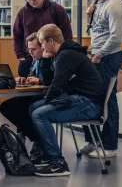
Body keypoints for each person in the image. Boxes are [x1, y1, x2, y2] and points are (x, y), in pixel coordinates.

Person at [29, 24, 104, 177]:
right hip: (80, 99)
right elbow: (50, 82)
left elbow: (57, 85)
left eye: (42, 43)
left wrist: (47, 100)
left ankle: (58, 163)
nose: (42, 47)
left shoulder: (66, 55)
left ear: (50, 41)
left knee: (39, 114)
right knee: (33, 108)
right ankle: (45, 153)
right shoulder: (62, 54)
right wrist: (45, 60)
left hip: (89, 103)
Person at [81, 0, 122, 159]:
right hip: (98, 56)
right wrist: (90, 14)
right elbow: (98, 30)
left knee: (108, 101)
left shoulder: (115, 5)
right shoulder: (100, 2)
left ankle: (110, 146)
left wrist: (99, 54)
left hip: (107, 58)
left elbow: (116, 38)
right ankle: (94, 140)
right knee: (88, 96)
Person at [0, 32, 54, 160]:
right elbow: (32, 76)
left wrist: (39, 81)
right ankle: (35, 138)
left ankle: (38, 142)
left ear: (43, 47)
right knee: (7, 106)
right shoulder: (34, 61)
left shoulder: (52, 59)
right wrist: (25, 79)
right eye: (28, 49)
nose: (30, 52)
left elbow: (55, 81)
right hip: (34, 94)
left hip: (47, 96)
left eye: (33, 49)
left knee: (27, 107)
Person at [13, 0, 73, 77]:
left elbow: (67, 36)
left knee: (46, 83)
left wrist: (61, 56)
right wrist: (21, 56)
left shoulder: (57, 10)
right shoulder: (22, 13)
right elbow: (17, 35)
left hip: (51, 58)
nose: (31, 1)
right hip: (28, 58)